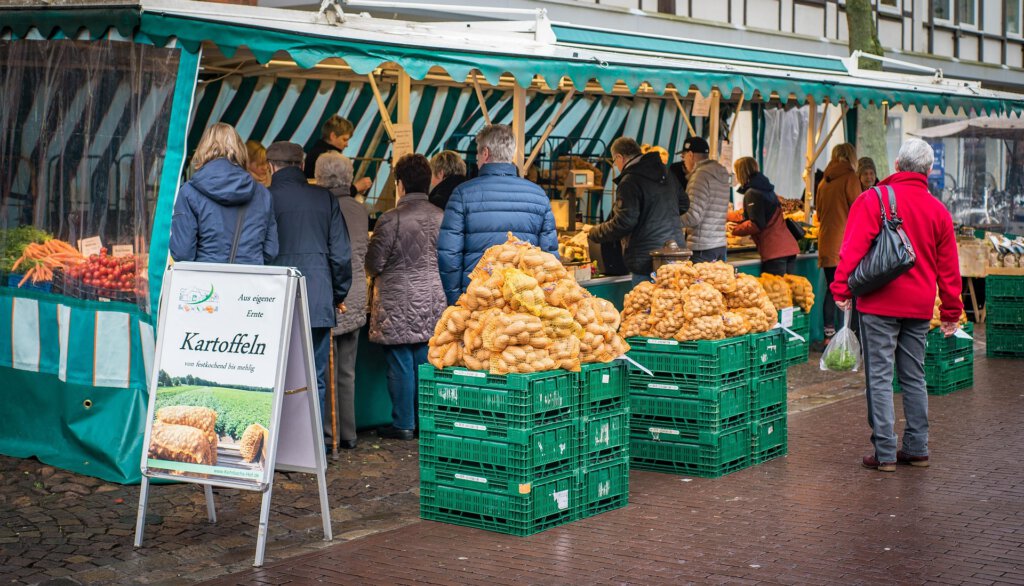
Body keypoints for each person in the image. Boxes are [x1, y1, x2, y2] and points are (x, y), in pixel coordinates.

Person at [831, 138, 963, 472]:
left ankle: (885, 453)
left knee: (878, 376)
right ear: (929, 171)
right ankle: (917, 448)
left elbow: (853, 249)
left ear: (897, 166)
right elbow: (949, 269)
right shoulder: (939, 211)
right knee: (914, 377)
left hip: (877, 303)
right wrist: (950, 311)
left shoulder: (872, 200)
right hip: (919, 306)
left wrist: (841, 287)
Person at [267, 141, 352, 450]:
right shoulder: (324, 199)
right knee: (314, 377)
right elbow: (341, 256)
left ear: (270, 167)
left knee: (273, 375)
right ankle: (310, 448)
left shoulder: (263, 198)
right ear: (302, 166)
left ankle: (277, 448)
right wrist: (336, 294)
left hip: (271, 301)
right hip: (316, 298)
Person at [366, 154, 447, 440]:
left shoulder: (391, 219)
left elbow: (374, 263)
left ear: (399, 184)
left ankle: (403, 423)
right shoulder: (441, 216)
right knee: (425, 361)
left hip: (397, 301)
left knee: (400, 362)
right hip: (433, 299)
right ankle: (425, 420)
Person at [437, 124, 558, 305]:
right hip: (523, 303)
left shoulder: (462, 194)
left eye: (478, 155)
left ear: (485, 153)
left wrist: (457, 300)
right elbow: (550, 259)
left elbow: (448, 256)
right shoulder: (538, 195)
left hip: (477, 299)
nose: (477, 160)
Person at [316, 152, 367, 451]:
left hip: (332, 294)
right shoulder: (359, 210)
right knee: (347, 370)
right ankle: (348, 432)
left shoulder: (321, 207)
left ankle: (328, 433)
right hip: (357, 294)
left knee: (324, 369)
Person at [170, 123, 278, 265]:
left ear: (203, 148)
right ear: (240, 149)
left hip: (207, 283)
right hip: (250, 282)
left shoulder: (189, 192)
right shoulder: (263, 194)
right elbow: (271, 251)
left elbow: (183, 253)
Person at [588, 137, 686, 285]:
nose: (616, 166)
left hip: (647, 259)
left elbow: (625, 222)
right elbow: (684, 204)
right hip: (675, 252)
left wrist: (594, 232)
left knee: (643, 305)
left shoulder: (629, 181)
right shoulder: (666, 173)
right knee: (670, 305)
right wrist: (660, 214)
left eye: (614, 161)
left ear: (620, 157)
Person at [816, 143, 862, 342]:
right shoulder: (850, 178)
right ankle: (848, 337)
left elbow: (817, 213)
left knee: (832, 288)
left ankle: (829, 335)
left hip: (826, 242)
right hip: (845, 244)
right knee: (850, 292)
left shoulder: (823, 182)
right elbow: (861, 209)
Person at [729, 157, 799, 276]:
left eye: (736, 173)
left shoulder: (752, 193)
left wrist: (734, 230)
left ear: (741, 172)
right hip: (788, 247)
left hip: (775, 250)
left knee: (775, 291)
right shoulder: (767, 190)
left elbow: (756, 224)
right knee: (787, 290)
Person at [680, 137, 731, 262]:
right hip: (720, 245)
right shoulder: (722, 174)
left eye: (683, 156)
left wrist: (671, 221)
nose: (683, 161)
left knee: (701, 282)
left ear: (690, 155)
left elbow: (693, 217)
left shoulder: (699, 176)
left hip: (702, 248)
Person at [304, 115, 373, 195]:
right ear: (333, 136)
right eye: (344, 139)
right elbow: (334, 192)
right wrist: (356, 188)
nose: (347, 144)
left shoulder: (316, 150)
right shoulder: (327, 157)